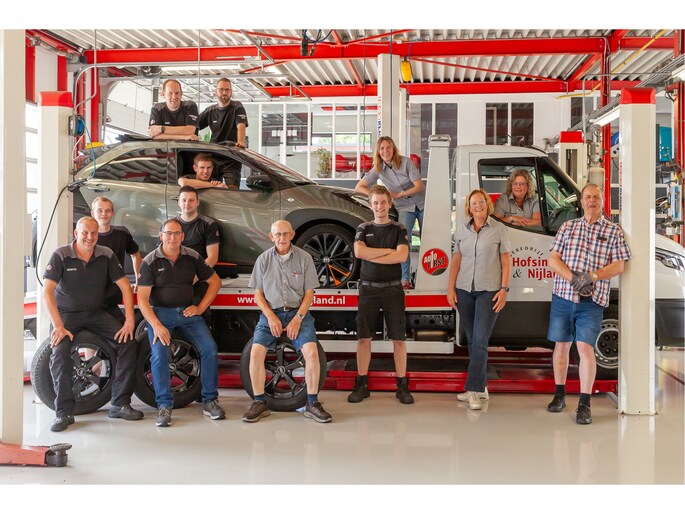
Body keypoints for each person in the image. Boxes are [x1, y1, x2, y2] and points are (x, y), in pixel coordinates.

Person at [42, 217, 142, 432]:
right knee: (59, 352)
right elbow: (47, 292)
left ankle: (120, 404)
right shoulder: (61, 255)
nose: (90, 237)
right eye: (85, 232)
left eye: (94, 233)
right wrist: (58, 326)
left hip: (96, 313)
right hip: (67, 315)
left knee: (128, 343)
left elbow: (125, 287)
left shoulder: (106, 254)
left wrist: (129, 321)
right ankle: (64, 412)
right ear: (76, 233)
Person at [546, 183, 631, 425]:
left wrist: (591, 277)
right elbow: (553, 259)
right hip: (564, 296)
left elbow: (619, 265)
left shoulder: (614, 231)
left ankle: (584, 404)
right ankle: (559, 395)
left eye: (596, 197)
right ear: (581, 201)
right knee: (561, 346)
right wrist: (574, 278)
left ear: (602, 201)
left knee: (585, 348)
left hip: (592, 301)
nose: (591, 200)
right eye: (587, 197)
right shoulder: (568, 227)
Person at [136, 219, 225, 427]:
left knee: (210, 349)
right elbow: (142, 299)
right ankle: (164, 406)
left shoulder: (192, 256)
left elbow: (215, 282)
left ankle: (210, 401)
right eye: (168, 233)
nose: (173, 238)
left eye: (177, 233)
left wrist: (200, 308)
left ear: (183, 236)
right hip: (160, 315)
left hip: (187, 313)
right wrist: (156, 325)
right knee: (159, 355)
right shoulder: (150, 261)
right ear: (161, 235)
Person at [242, 220, 332, 423]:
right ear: (271, 237)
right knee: (255, 353)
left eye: (285, 234)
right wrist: (270, 317)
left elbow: (309, 293)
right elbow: (258, 294)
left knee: (312, 353)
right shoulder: (263, 260)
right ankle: (259, 403)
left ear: (292, 235)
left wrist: (298, 319)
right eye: (277, 234)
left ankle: (312, 403)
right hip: (271, 314)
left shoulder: (305, 258)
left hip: (297, 313)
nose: (281, 238)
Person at [348, 184, 414, 405]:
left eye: (383, 202)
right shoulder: (363, 227)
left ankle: (402, 386)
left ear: (390, 203)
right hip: (368, 290)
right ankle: (362, 384)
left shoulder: (398, 229)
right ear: (370, 205)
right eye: (375, 202)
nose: (379, 206)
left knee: (399, 339)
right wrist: (388, 252)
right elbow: (359, 252)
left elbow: (402, 256)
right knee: (363, 338)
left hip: (393, 289)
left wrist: (372, 254)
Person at [446, 189, 511, 411]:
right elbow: (456, 259)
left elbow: (506, 261)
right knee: (473, 340)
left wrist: (504, 289)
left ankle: (473, 390)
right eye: (474, 203)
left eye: (481, 202)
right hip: (464, 290)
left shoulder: (498, 229)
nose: (478, 206)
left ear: (487, 204)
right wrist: (451, 288)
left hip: (488, 291)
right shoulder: (462, 230)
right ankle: (481, 387)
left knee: (481, 339)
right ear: (469, 207)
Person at [355, 136, 425, 289]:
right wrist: (376, 196)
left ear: (393, 149)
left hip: (422, 204)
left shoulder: (405, 162)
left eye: (388, 147)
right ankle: (405, 280)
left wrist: (399, 194)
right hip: (404, 208)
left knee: (426, 241)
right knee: (403, 242)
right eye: (382, 148)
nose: (385, 151)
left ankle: (426, 278)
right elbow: (359, 187)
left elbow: (419, 186)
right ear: (378, 152)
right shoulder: (378, 168)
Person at [91, 196, 143, 312]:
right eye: (99, 210)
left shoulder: (122, 233)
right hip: (92, 295)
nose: (104, 214)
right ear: (92, 213)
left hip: (114, 294)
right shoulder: (87, 237)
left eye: (107, 210)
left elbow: (135, 255)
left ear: (112, 213)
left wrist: (138, 281)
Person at [199, 78, 248, 187]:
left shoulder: (237, 107)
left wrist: (240, 141)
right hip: (213, 157)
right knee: (211, 189)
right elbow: (193, 126)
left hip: (231, 157)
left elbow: (241, 125)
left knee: (233, 190)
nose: (224, 92)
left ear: (231, 92)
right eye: (221, 89)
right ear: (216, 92)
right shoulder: (210, 111)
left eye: (227, 90)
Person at [175, 186, 220, 268]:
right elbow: (162, 254)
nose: (187, 203)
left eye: (191, 200)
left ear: (198, 202)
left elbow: (212, 258)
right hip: (174, 270)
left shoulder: (209, 224)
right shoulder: (169, 225)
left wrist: (196, 274)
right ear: (178, 203)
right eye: (184, 200)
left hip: (198, 270)